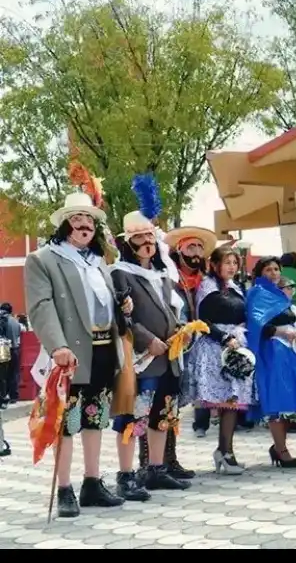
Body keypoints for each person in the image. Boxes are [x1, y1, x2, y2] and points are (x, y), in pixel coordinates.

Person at [25, 192, 133, 518]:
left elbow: (101, 303)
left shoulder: (98, 261)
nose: (85, 224)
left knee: (94, 417)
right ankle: (65, 489)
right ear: (64, 225)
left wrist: (121, 306)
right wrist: (57, 346)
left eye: (89, 220)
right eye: (77, 219)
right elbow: (41, 306)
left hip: (102, 349)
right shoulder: (43, 259)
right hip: (69, 352)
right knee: (66, 423)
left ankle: (92, 482)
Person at [110, 210, 189, 498]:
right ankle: (126, 475)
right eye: (140, 238)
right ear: (128, 243)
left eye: (150, 237)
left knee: (163, 415)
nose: (147, 243)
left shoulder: (161, 274)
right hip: (141, 359)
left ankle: (156, 469)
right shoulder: (119, 272)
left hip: (169, 356)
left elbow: (172, 310)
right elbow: (121, 315)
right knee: (132, 417)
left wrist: (181, 329)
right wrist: (147, 340)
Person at [246, 257, 296, 467]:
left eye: (276, 269)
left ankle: (278, 446)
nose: (273, 273)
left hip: (290, 353)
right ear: (260, 273)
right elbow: (255, 325)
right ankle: (281, 449)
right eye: (268, 270)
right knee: (278, 401)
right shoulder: (257, 293)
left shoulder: (280, 295)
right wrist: (279, 330)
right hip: (272, 352)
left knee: (292, 401)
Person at [189, 245, 255, 475]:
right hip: (215, 348)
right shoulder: (207, 288)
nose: (232, 267)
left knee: (233, 403)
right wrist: (225, 337)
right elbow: (203, 321)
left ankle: (225, 451)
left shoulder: (236, 288)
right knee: (226, 402)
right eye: (227, 262)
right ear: (215, 265)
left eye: (235, 263)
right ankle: (225, 453)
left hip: (237, 347)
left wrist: (241, 330)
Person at [163, 225, 217, 459]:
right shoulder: (169, 276)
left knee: (179, 402)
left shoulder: (207, 280)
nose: (196, 252)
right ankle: (161, 460)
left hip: (202, 345)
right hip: (173, 345)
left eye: (199, 247)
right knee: (166, 401)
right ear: (180, 250)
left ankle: (171, 458)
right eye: (191, 247)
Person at [0, 302, 22, 407]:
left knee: (3, 374)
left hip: (3, 350)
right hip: (15, 349)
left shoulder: (2, 320)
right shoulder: (16, 322)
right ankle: (14, 396)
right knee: (14, 373)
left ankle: (3, 396)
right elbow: (18, 335)